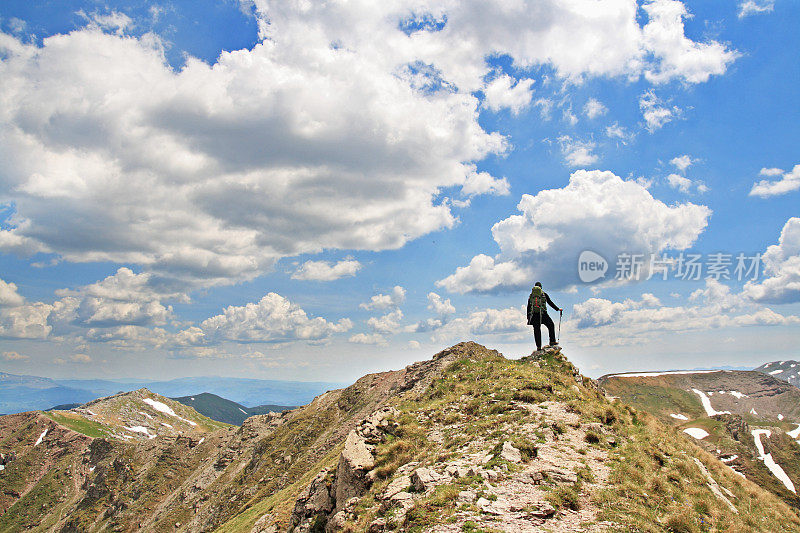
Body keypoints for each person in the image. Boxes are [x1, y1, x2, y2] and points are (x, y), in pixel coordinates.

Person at [527, 282, 562, 352]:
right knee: (551, 325)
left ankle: (538, 347)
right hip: (543, 314)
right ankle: (552, 341)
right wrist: (558, 309)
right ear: (541, 287)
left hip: (534, 315)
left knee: (537, 331)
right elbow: (550, 302)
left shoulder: (531, 296)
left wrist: (528, 317)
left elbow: (528, 306)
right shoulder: (544, 294)